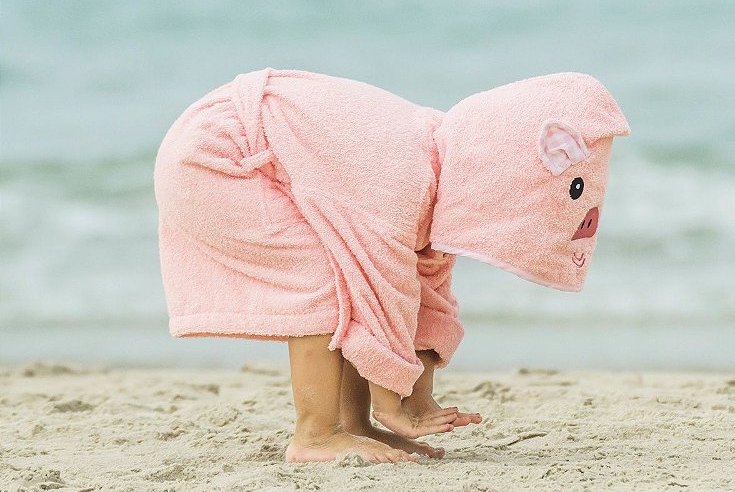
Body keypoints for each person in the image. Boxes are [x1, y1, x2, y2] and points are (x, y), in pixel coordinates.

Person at [154, 66, 629, 463]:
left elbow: (428, 293)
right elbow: (382, 290)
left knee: (350, 277)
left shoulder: (443, 172)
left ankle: (350, 426)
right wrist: (392, 401)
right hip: (217, 158)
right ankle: (314, 436)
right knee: (327, 281)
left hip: (248, 151)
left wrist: (416, 398)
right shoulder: (404, 176)